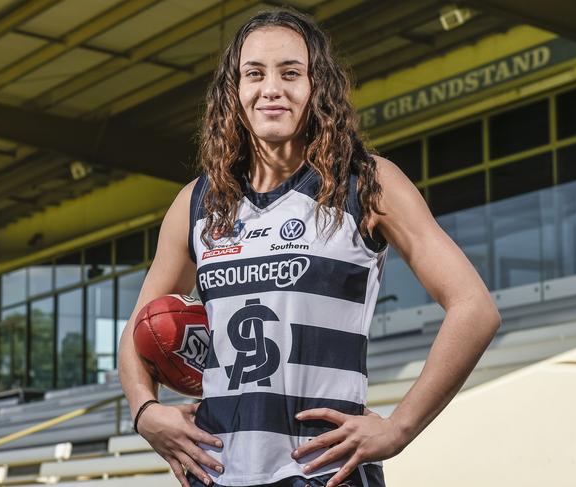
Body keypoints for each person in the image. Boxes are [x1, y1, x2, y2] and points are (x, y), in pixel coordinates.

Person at [118, 9, 500, 487]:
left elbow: (475, 308)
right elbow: (138, 327)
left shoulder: (366, 184)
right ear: (233, 92)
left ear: (317, 87)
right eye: (254, 74)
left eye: (291, 72)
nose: (271, 88)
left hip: (322, 474)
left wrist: (399, 428)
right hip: (218, 473)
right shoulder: (197, 202)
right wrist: (144, 410)